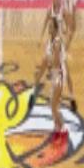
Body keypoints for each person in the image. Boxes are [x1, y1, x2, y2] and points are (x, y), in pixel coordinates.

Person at [34, 17, 69, 145]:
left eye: (51, 26)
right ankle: (57, 129)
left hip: (59, 75)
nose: (49, 28)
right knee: (53, 105)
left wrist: (48, 63)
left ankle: (64, 130)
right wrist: (40, 74)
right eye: (48, 26)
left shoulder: (57, 42)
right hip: (54, 75)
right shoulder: (50, 41)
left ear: (55, 28)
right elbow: (46, 61)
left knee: (54, 105)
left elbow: (56, 61)